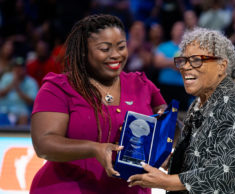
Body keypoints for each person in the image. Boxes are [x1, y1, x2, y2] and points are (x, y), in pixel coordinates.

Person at [128, 28, 235, 193]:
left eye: (195, 60)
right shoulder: (197, 105)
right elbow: (197, 162)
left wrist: (166, 181)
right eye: (183, 60)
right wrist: (164, 159)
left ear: (221, 66)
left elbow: (228, 171)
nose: (185, 67)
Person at [30, 14, 166, 194]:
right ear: (84, 51)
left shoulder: (141, 84)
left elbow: (167, 120)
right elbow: (44, 144)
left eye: (121, 47)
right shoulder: (58, 88)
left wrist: (164, 141)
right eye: (105, 48)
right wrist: (94, 149)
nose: (116, 55)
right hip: (66, 188)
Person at [0, 56, 38, 125]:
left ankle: (21, 135)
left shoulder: (31, 82)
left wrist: (18, 89)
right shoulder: (6, 77)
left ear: (25, 69)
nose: (19, 69)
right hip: (4, 109)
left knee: (24, 116)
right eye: (17, 67)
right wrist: (12, 84)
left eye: (21, 67)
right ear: (13, 68)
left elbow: (32, 102)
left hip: (21, 111)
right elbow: (1, 94)